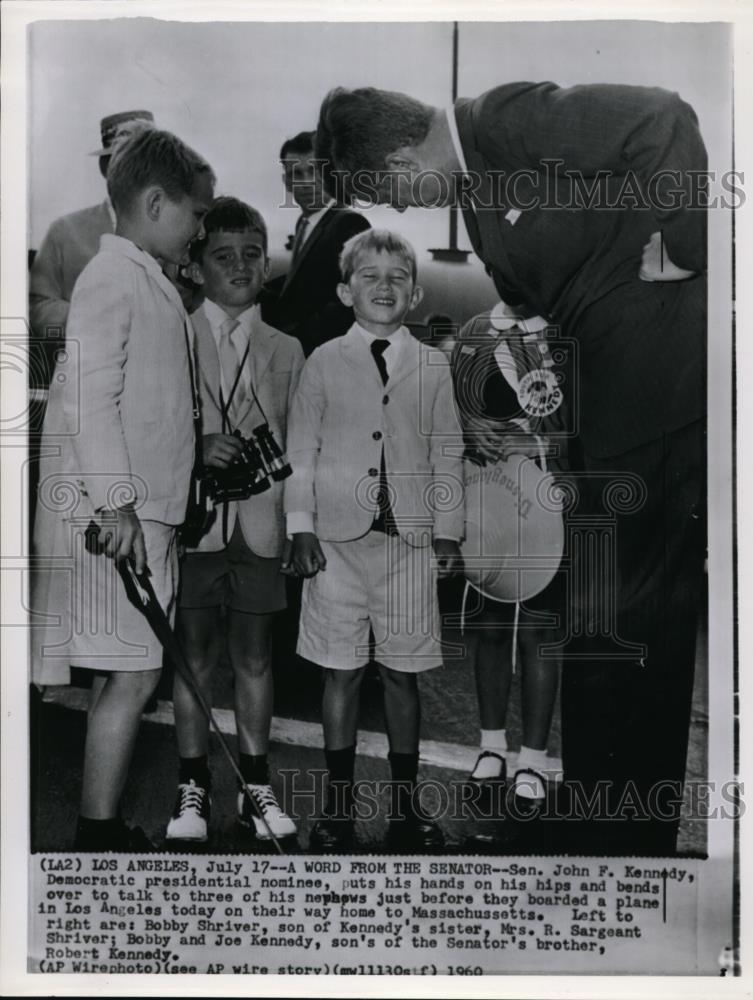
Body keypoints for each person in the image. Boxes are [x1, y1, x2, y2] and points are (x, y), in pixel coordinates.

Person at [316, 82, 707, 855]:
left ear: (399, 159)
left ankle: (625, 834)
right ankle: (600, 816)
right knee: (602, 632)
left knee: (634, 631)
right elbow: (534, 305)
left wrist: (686, 249)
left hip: (658, 398)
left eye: (387, 191)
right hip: (606, 413)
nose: (402, 205)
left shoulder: (508, 119)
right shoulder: (478, 194)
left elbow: (663, 116)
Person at [30, 128, 215, 851]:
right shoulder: (113, 277)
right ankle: (95, 832)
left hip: (143, 515)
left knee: (127, 678)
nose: (201, 229)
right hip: (122, 520)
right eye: (197, 216)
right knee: (134, 680)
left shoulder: (144, 275)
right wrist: (117, 503)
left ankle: (97, 826)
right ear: (156, 201)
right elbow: (89, 397)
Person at [284, 229, 464, 852]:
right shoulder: (323, 361)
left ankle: (406, 810)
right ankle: (336, 810)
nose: (383, 286)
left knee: (402, 675)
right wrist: (299, 527)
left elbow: (447, 452)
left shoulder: (434, 364)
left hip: (409, 545)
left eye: (396, 277)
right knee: (340, 675)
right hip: (335, 545)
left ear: (414, 294)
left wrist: (447, 531)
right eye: (369, 275)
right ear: (344, 290)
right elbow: (300, 453)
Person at [165, 197, 304, 845]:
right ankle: (192, 787)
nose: (242, 266)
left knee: (255, 658)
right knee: (192, 659)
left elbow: (299, 448)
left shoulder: (288, 346)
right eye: (224, 257)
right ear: (195, 267)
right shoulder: (174, 333)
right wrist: (198, 447)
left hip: (260, 524)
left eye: (253, 253)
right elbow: (157, 426)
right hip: (193, 524)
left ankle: (256, 787)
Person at [451, 304, 568, 826]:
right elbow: (448, 409)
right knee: (492, 620)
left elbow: (592, 420)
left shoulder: (567, 326)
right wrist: (468, 428)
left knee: (540, 626)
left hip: (547, 495)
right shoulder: (475, 332)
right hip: (489, 492)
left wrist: (538, 442)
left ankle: (536, 759)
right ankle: (492, 746)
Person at [29, 110, 155, 370]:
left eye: (148, 164)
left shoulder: (177, 231)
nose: (136, 175)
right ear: (105, 168)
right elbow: (37, 309)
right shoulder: (64, 231)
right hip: (84, 375)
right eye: (124, 163)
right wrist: (95, 317)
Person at [259, 130, 369, 355]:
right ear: (287, 182)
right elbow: (306, 282)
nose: (307, 182)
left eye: (315, 171)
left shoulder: (349, 223)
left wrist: (291, 340)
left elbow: (349, 303)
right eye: (297, 174)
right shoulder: (305, 223)